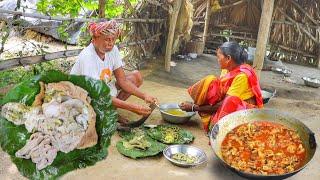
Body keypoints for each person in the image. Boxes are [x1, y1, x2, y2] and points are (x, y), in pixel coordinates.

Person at [70, 20, 157, 124]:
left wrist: (144, 96)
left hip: (103, 87)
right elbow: (98, 95)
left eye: (113, 39)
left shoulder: (113, 50)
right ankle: (106, 113)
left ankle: (111, 111)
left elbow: (122, 80)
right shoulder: (87, 57)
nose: (110, 43)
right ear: (94, 39)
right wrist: (131, 107)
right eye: (106, 39)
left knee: (136, 76)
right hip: (84, 95)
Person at [179, 41, 263, 132]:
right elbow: (219, 94)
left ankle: (224, 124)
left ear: (228, 58)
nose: (217, 60)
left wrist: (193, 108)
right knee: (211, 81)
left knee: (225, 107)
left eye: (219, 57)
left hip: (243, 111)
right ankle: (208, 111)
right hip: (228, 103)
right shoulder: (226, 70)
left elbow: (225, 104)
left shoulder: (242, 76)